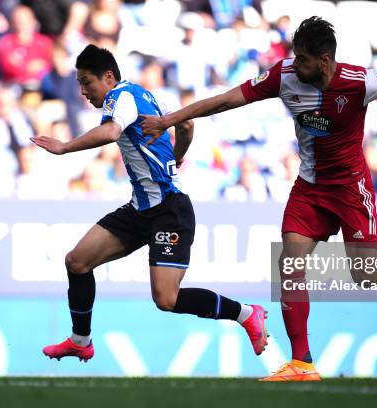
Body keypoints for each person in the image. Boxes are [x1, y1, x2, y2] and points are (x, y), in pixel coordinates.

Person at [141, 16, 377, 381]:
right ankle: (302, 363)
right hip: (309, 187)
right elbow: (226, 100)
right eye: (294, 55)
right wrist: (169, 119)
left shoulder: (359, 82)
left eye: (302, 58)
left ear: (324, 60)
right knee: (289, 264)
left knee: (368, 276)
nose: (293, 63)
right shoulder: (284, 75)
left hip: (351, 188)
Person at [32, 44, 268, 362]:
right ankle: (80, 340)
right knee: (77, 261)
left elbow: (112, 132)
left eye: (87, 81)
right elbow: (186, 125)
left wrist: (64, 147)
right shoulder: (143, 95)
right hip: (141, 208)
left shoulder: (121, 97)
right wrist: (178, 155)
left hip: (169, 209)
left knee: (166, 298)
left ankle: (245, 313)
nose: (83, 91)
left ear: (108, 76)